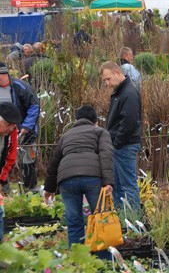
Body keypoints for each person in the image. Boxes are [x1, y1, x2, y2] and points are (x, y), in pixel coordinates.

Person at [43, 106, 114, 253]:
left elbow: (54, 163)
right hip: (92, 177)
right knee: (101, 218)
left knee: (74, 220)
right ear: (95, 121)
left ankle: (78, 258)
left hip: (67, 180)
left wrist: (49, 188)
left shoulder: (66, 136)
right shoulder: (100, 132)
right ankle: (104, 259)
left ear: (76, 120)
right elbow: (106, 155)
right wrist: (108, 182)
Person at [100, 61, 142, 210]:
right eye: (105, 80)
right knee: (117, 184)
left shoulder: (128, 92)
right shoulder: (120, 92)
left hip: (125, 145)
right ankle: (120, 219)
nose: (107, 83)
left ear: (117, 73)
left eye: (108, 79)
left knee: (127, 185)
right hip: (119, 145)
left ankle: (134, 219)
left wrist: (116, 143)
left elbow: (129, 122)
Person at [0, 62, 39, 192]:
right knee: (3, 158)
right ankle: (4, 187)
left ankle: (31, 188)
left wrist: (26, 127)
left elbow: (34, 106)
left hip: (24, 131)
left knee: (27, 159)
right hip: (3, 132)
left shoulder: (20, 86)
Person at [0, 103, 22, 242]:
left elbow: (10, 157)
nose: (12, 128)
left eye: (14, 125)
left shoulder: (11, 132)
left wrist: (1, 180)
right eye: (9, 124)